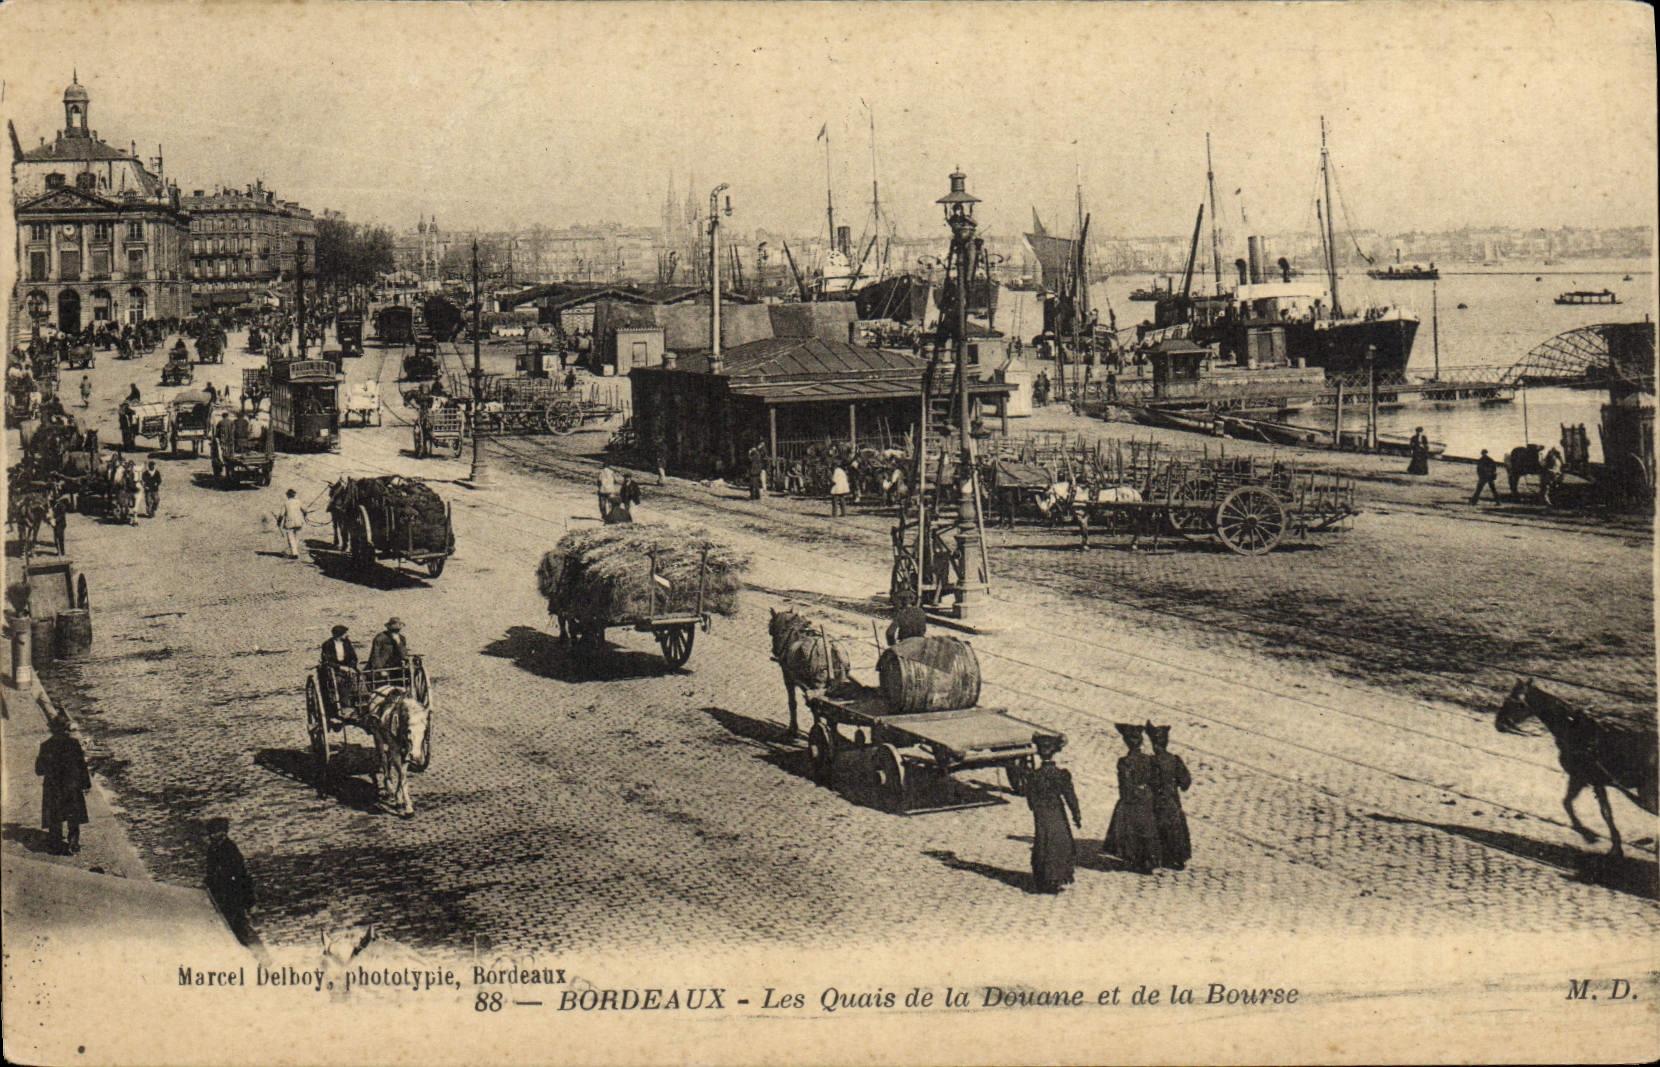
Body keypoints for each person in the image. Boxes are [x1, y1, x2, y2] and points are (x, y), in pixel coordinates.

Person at [1102, 723, 1162, 874]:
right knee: (1147, 827)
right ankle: (1149, 859)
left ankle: (1133, 858)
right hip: (1146, 796)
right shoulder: (1148, 759)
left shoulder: (1125, 762)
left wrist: (1128, 797)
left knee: (1129, 828)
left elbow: (1124, 784)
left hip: (1132, 798)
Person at [1027, 734, 1082, 894]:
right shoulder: (1061, 774)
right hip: (1057, 811)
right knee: (1060, 841)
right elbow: (1070, 796)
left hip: (1042, 813)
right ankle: (1058, 877)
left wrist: (1037, 809)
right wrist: (1076, 815)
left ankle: (1044, 878)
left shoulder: (1034, 776)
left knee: (1043, 842)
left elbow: (1030, 801)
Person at [35, 713, 91, 855]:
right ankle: (73, 842)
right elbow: (81, 766)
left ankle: (55, 843)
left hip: (53, 786)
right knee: (73, 815)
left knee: (55, 815)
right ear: (66, 729)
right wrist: (86, 784)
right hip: (72, 784)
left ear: (52, 730)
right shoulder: (74, 744)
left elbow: (39, 770)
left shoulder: (45, 746)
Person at [1145, 722, 1192, 870]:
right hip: (1172, 802)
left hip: (1154, 803)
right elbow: (1185, 782)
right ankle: (1177, 858)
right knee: (1175, 828)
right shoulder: (1175, 760)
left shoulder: (1149, 762)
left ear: (1153, 744)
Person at [204, 817, 255, 945]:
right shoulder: (212, 848)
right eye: (212, 833)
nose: (213, 836)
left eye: (216, 833)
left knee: (238, 921)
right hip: (221, 891)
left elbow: (240, 873)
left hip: (233, 890)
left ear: (224, 833)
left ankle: (247, 945)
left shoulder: (230, 849)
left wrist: (248, 900)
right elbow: (211, 869)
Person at [319, 624, 359, 718]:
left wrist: (351, 667)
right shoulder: (327, 644)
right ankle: (345, 706)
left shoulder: (346, 643)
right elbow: (327, 661)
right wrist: (340, 668)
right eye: (345, 633)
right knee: (340, 681)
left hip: (348, 668)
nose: (347, 635)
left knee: (359, 678)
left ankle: (358, 702)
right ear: (339, 635)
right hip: (334, 669)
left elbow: (354, 657)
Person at [276, 488, 307, 559]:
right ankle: (295, 551)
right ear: (294, 495)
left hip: (289, 522)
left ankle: (294, 553)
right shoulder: (299, 502)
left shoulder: (286, 503)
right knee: (297, 537)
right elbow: (305, 510)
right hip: (299, 522)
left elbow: (281, 514)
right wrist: (304, 516)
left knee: (290, 538)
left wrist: (278, 522)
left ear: (287, 495)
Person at [118, 460, 140, 526]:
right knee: (126, 504)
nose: (130, 468)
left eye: (131, 466)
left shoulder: (135, 472)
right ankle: (125, 515)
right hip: (127, 490)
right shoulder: (124, 473)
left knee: (135, 505)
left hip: (134, 489)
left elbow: (137, 480)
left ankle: (135, 519)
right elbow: (121, 481)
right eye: (129, 466)